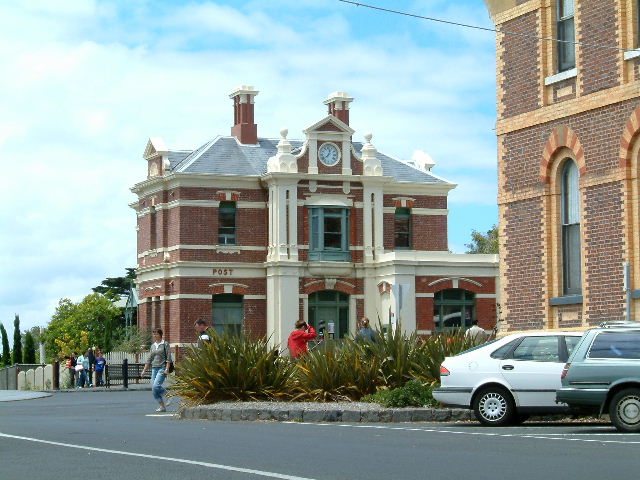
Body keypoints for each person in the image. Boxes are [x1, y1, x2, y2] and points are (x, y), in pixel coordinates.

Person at [141, 329, 173, 412]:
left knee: (156, 386)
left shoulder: (165, 344)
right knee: (154, 389)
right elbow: (149, 359)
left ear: (160, 335)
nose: (155, 335)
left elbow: (169, 358)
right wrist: (144, 371)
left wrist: (167, 368)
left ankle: (168, 395)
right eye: (154, 334)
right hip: (154, 368)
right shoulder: (153, 346)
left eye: (156, 334)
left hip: (162, 367)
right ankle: (162, 406)